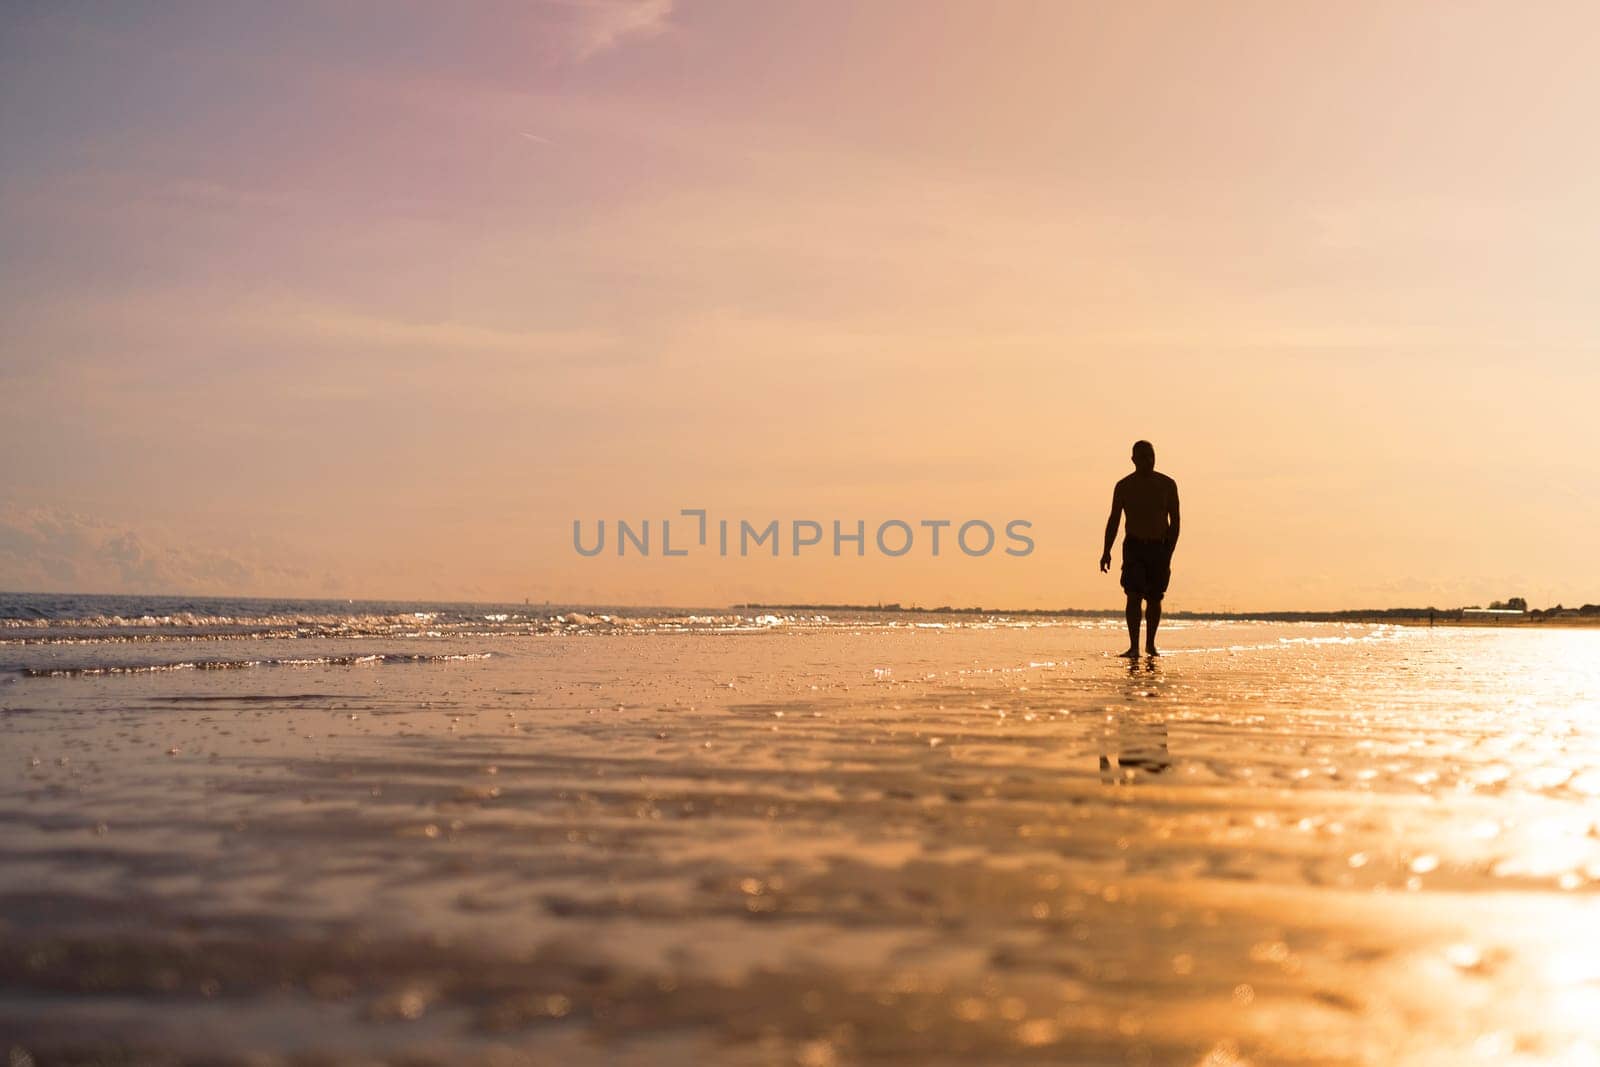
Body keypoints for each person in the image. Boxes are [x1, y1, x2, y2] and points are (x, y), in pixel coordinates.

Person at [1099, 440, 1180, 658]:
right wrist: (1106, 551)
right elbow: (1114, 520)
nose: (1148, 461)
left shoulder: (1167, 485)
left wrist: (1168, 552)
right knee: (1133, 595)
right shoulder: (1124, 486)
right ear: (1134, 460)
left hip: (1159, 547)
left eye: (1151, 456)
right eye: (1143, 457)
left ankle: (1150, 645)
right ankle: (1134, 646)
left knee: (1155, 597)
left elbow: (1176, 522)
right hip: (1134, 546)